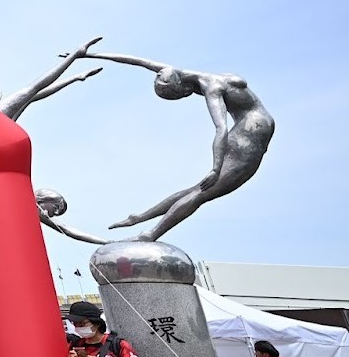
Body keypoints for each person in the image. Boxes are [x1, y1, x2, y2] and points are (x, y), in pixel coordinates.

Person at [79, 46, 275, 243]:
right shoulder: (177, 72)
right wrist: (88, 55)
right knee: (200, 191)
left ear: (181, 87)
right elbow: (139, 61)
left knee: (200, 192)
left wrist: (215, 169)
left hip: (251, 131)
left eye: (179, 95)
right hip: (252, 129)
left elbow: (221, 129)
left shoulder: (212, 88)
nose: (185, 95)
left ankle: (146, 230)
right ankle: (144, 224)